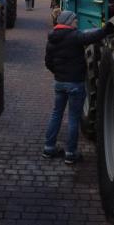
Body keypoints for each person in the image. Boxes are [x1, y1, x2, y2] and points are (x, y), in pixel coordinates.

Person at [42, 11, 108, 164]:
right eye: (75, 20)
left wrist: (58, 74)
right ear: (68, 21)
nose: (77, 22)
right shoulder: (75, 36)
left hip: (59, 83)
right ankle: (71, 153)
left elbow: (48, 62)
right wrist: (107, 28)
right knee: (73, 118)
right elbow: (93, 37)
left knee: (56, 114)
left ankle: (49, 148)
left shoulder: (52, 38)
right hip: (75, 84)